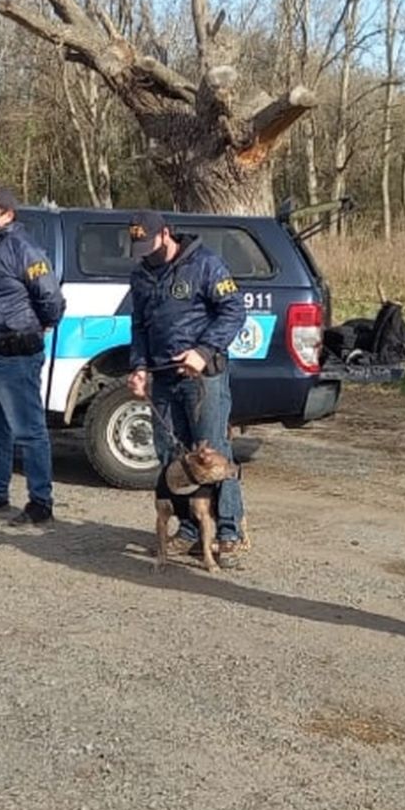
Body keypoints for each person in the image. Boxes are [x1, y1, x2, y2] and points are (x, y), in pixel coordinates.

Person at [124, 210, 249, 566]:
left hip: (202, 377)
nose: (145, 252)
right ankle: (191, 530)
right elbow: (139, 326)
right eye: (139, 246)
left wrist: (202, 351)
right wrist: (138, 367)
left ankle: (227, 532)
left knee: (213, 453)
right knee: (171, 456)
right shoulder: (141, 275)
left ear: (166, 234)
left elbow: (233, 312)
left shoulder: (206, 264)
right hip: (162, 378)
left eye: (149, 243)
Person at [0, 188, 66, 525]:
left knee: (29, 431)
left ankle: (40, 502)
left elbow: (51, 298)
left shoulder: (25, 249)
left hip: (14, 353)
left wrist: (41, 325)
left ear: (7, 214)